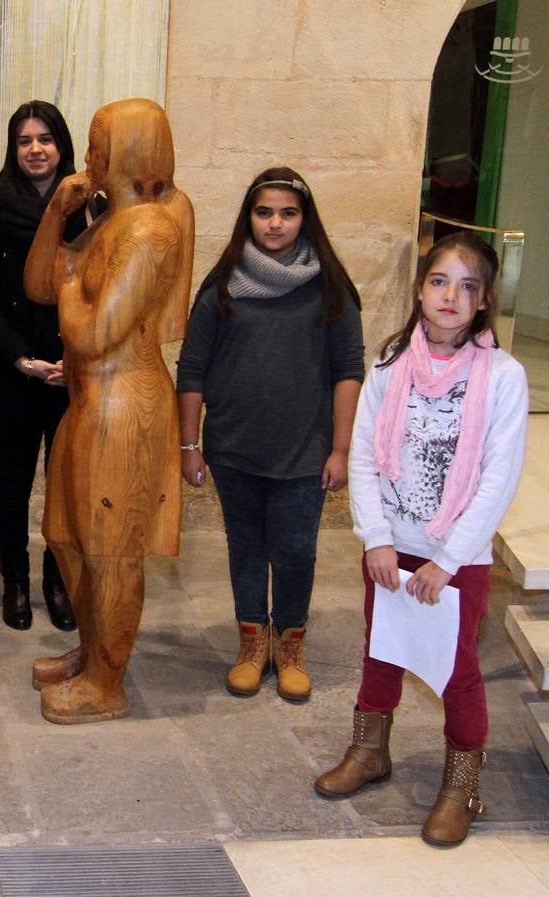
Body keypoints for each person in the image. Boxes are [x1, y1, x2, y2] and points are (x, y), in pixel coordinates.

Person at [314, 232, 528, 848]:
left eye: (467, 286)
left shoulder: (504, 377)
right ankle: (369, 751)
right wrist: (376, 539)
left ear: (484, 300)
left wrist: (447, 560)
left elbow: (497, 478)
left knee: (457, 670)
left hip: (455, 556)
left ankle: (462, 786)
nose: (451, 296)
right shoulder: (389, 364)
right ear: (419, 289)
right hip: (391, 546)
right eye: (439, 281)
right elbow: (362, 456)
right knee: (381, 649)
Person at [24, 99, 195, 724]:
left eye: (97, 146)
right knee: (66, 537)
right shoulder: (110, 222)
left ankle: (108, 682)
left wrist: (72, 288)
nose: (87, 157)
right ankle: (92, 651)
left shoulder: (151, 230)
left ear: (127, 153)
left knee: (112, 550)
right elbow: (41, 283)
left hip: (126, 407)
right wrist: (56, 213)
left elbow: (95, 332)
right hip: (87, 402)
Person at [176, 167, 364, 702]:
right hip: (234, 448)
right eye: (264, 212)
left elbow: (349, 370)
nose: (275, 223)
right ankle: (252, 642)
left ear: (305, 218)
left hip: (305, 452)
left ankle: (290, 644)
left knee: (297, 551)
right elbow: (191, 370)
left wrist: (342, 449)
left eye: (287, 212)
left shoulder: (331, 289)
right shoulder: (221, 289)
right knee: (246, 548)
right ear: (248, 218)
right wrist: (190, 445)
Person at [0, 99, 96, 632]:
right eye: (24, 140)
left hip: (75, 374)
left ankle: (57, 580)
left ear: (61, 145)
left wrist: (78, 357)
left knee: (66, 487)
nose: (35, 149)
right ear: (13, 149)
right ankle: (15, 581)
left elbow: (103, 291)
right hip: (12, 374)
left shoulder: (92, 210)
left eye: (45, 138)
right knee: (13, 483)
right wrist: (23, 359)